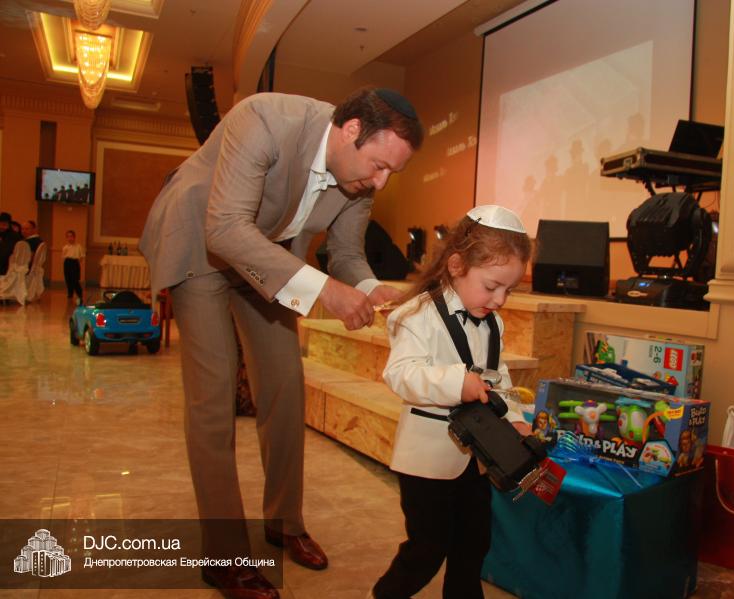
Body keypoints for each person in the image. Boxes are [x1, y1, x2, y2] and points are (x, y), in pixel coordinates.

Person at [139, 88, 423, 599]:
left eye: (391, 173)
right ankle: (223, 557)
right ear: (352, 130)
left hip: (266, 258)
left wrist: (368, 287)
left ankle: (284, 521)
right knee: (213, 398)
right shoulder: (265, 120)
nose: (380, 182)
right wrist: (323, 290)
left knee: (285, 387)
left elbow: (346, 253)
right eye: (379, 166)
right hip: (199, 242)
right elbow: (225, 228)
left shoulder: (361, 176)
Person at [371, 205, 533, 599]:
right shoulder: (417, 314)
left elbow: (498, 377)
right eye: (492, 286)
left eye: (509, 290)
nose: (500, 299)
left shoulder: (493, 322)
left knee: (474, 543)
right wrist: (455, 382)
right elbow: (401, 374)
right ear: (457, 265)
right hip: (427, 461)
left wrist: (513, 416)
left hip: (476, 459)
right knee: (426, 549)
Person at [61, 230, 85, 305]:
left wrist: (77, 262)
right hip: (67, 263)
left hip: (74, 263)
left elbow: (82, 256)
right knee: (68, 279)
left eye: (71, 236)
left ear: (74, 237)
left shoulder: (79, 246)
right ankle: (70, 294)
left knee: (75, 280)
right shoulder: (65, 247)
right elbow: (63, 256)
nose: (70, 238)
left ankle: (79, 294)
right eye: (68, 237)